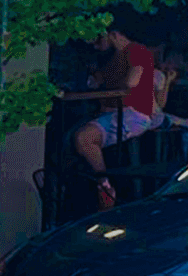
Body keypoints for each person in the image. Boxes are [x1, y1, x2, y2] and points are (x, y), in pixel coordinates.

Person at [70, 28, 181, 209]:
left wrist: (108, 88)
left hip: (132, 114)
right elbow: (97, 82)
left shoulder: (137, 51)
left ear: (111, 34)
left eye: (97, 41)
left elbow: (131, 83)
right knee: (78, 139)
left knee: (83, 138)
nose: (96, 48)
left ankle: (104, 187)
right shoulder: (115, 59)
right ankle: (102, 186)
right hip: (113, 113)